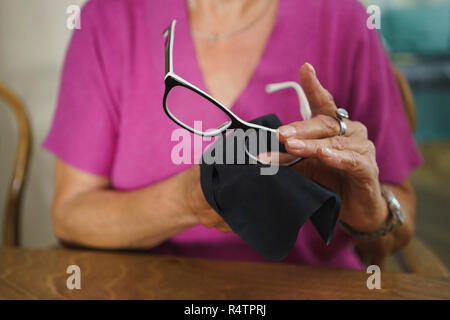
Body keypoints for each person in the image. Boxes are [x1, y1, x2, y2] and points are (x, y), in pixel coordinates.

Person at [44, 0, 422, 269]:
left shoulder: (344, 20)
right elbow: (71, 215)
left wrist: (367, 212)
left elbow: (401, 229)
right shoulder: (109, 18)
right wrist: (188, 201)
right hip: (150, 286)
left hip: (312, 288)